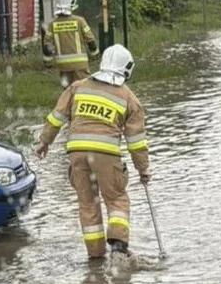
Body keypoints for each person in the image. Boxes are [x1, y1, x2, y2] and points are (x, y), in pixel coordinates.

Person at [35, 45, 150, 259]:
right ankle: (118, 247)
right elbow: (136, 141)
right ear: (127, 69)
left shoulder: (77, 87)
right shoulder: (128, 98)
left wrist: (44, 143)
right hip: (106, 155)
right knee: (116, 199)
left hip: (76, 154)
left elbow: (56, 118)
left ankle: (96, 258)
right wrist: (143, 169)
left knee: (88, 203)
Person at [42, 0, 98, 87]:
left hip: (63, 66)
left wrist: (48, 63)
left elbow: (47, 46)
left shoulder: (52, 24)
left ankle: (68, 102)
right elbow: (91, 41)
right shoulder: (80, 21)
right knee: (83, 89)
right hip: (80, 65)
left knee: (67, 91)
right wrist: (95, 55)